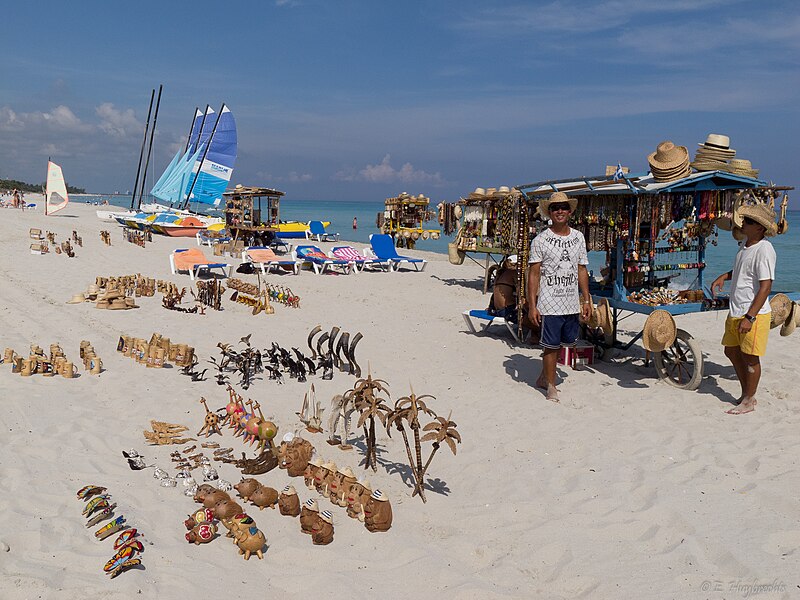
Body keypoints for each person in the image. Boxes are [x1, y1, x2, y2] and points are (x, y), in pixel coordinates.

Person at [711, 204, 777, 415]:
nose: (743, 223)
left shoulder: (764, 249)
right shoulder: (746, 244)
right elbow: (743, 270)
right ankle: (746, 393)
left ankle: (749, 399)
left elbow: (766, 286)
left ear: (759, 228)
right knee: (730, 350)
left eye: (748, 221)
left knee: (751, 357)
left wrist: (750, 316)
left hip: (752, 313)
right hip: (736, 309)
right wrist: (725, 276)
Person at [527, 191, 592, 403]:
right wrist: (532, 305)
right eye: (555, 208)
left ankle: (542, 377)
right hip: (549, 302)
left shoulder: (578, 237)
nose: (560, 211)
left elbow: (581, 269)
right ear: (550, 212)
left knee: (566, 342)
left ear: (570, 211)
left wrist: (586, 299)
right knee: (550, 345)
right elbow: (534, 274)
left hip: (571, 301)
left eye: (563, 207)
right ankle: (551, 386)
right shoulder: (540, 240)